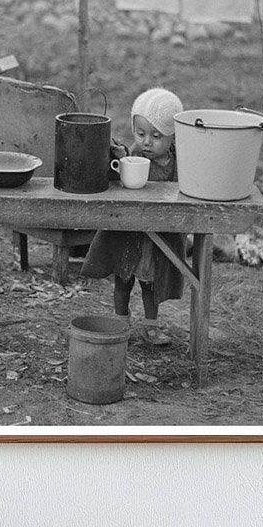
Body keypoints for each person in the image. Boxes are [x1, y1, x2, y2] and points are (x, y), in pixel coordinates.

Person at [80, 87, 185, 346]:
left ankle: (151, 326)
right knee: (123, 279)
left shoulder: (178, 165)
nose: (147, 141)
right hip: (128, 234)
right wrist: (115, 158)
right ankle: (119, 323)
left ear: (174, 136)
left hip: (159, 236)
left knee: (151, 283)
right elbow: (117, 180)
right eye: (140, 134)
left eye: (156, 136)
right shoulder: (132, 157)